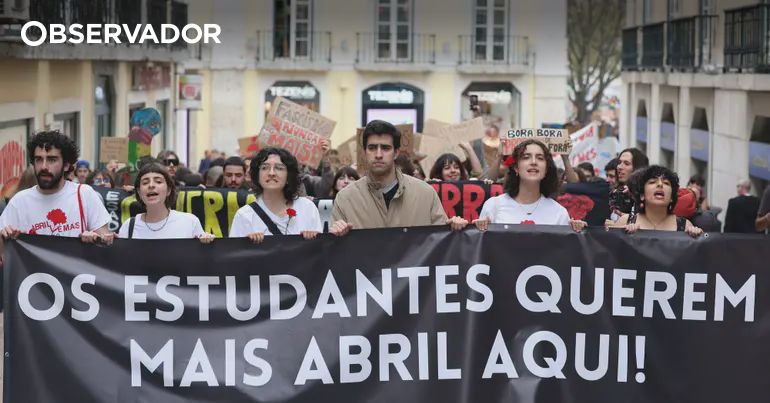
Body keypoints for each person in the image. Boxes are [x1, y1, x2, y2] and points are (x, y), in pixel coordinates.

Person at [331, 120, 467, 232]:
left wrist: (455, 229)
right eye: (372, 148)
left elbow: (442, 245)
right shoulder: (345, 199)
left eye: (385, 148)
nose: (378, 154)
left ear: (396, 153)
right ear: (364, 152)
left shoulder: (426, 194)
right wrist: (336, 237)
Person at [0, 130, 113, 245]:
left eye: (52, 160)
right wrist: (6, 238)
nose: (44, 166)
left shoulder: (84, 194)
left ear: (66, 165)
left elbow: (105, 242)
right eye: (39, 159)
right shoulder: (19, 201)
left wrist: (95, 239)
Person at [473, 139, 586, 232]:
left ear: (546, 169)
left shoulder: (559, 213)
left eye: (540, 158)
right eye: (526, 157)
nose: (533, 162)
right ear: (516, 168)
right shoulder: (493, 206)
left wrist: (578, 232)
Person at [230, 147, 332, 243]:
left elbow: (317, 254)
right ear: (257, 175)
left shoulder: (307, 208)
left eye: (279, 168)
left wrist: (312, 239)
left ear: (289, 175)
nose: (271, 173)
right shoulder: (244, 216)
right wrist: (247, 245)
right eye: (265, 167)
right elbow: (235, 257)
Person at [118, 163, 213, 241]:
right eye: (145, 182)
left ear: (169, 190)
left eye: (158, 181)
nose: (151, 185)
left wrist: (207, 244)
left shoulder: (190, 222)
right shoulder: (129, 226)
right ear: (139, 192)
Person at [615, 165, 703, 238]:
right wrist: (622, 234)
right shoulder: (625, 221)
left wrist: (700, 236)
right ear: (642, 195)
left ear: (672, 197)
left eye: (666, 183)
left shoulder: (685, 226)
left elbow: (705, 250)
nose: (660, 184)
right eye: (652, 182)